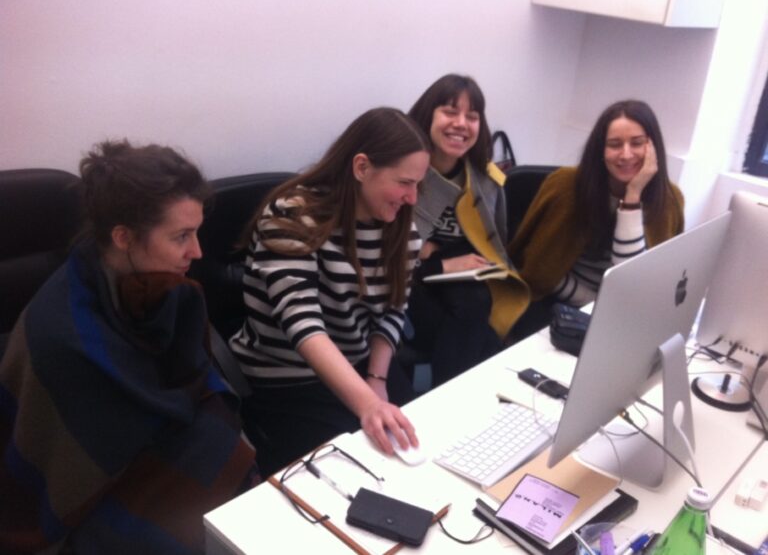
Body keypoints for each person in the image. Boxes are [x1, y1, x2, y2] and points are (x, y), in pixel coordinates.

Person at [0, 140, 259, 555]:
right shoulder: (61, 336)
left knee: (243, 488)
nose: (197, 251)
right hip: (97, 482)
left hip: (156, 436)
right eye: (181, 237)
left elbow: (190, 377)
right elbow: (67, 464)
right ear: (123, 237)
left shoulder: (162, 286)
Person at [229, 107, 431, 475]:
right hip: (289, 377)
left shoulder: (401, 228)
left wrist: (376, 380)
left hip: (357, 362)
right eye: (404, 183)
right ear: (361, 167)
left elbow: (393, 311)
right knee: (357, 471)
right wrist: (367, 404)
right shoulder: (293, 214)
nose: (413, 197)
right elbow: (303, 324)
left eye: (418, 184)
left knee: (420, 444)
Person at [406, 74, 530, 386]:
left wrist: (439, 254)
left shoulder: (485, 180)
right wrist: (436, 262)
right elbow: (384, 254)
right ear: (427, 115)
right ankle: (457, 395)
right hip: (406, 279)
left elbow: (493, 245)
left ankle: (451, 395)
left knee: (476, 306)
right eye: (450, 112)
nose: (461, 123)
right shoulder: (403, 171)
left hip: (463, 278)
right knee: (473, 328)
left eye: (472, 116)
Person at [509, 99, 685, 311]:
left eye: (637, 143)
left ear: (653, 147)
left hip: (624, 310)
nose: (626, 154)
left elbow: (631, 285)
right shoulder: (566, 186)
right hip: (555, 303)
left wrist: (633, 195)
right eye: (614, 144)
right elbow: (539, 272)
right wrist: (593, 306)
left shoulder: (670, 200)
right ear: (600, 149)